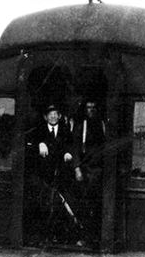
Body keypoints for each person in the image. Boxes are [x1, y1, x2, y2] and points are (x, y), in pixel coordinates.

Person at [34, 104, 75, 244]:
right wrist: (39, 144)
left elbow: (71, 145)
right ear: (46, 117)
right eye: (50, 114)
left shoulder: (65, 129)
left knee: (60, 204)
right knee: (44, 205)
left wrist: (68, 153)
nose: (53, 116)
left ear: (59, 116)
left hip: (61, 174)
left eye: (55, 114)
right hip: (44, 176)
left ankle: (59, 236)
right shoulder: (39, 130)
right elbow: (30, 146)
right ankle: (45, 237)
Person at [72, 99, 106, 247]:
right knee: (85, 205)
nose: (91, 110)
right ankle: (85, 236)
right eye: (88, 107)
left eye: (93, 107)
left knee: (98, 206)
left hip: (99, 172)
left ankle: (97, 238)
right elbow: (75, 148)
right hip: (85, 172)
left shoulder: (103, 126)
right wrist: (77, 168)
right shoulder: (81, 127)